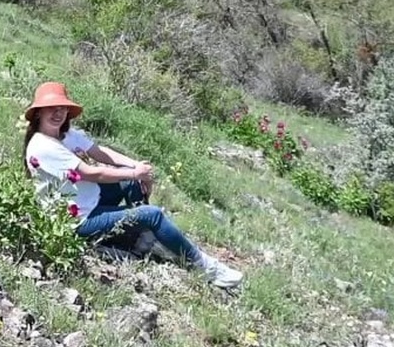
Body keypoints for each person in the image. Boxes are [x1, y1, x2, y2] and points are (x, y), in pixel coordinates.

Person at [22, 82, 244, 288]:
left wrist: (137, 168)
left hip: (89, 200)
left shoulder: (66, 135)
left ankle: (143, 237)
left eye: (62, 107)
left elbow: (100, 152)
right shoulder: (43, 145)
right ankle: (207, 268)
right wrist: (135, 172)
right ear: (39, 112)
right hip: (76, 220)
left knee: (130, 181)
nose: (58, 113)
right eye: (51, 108)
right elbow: (91, 172)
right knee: (153, 213)